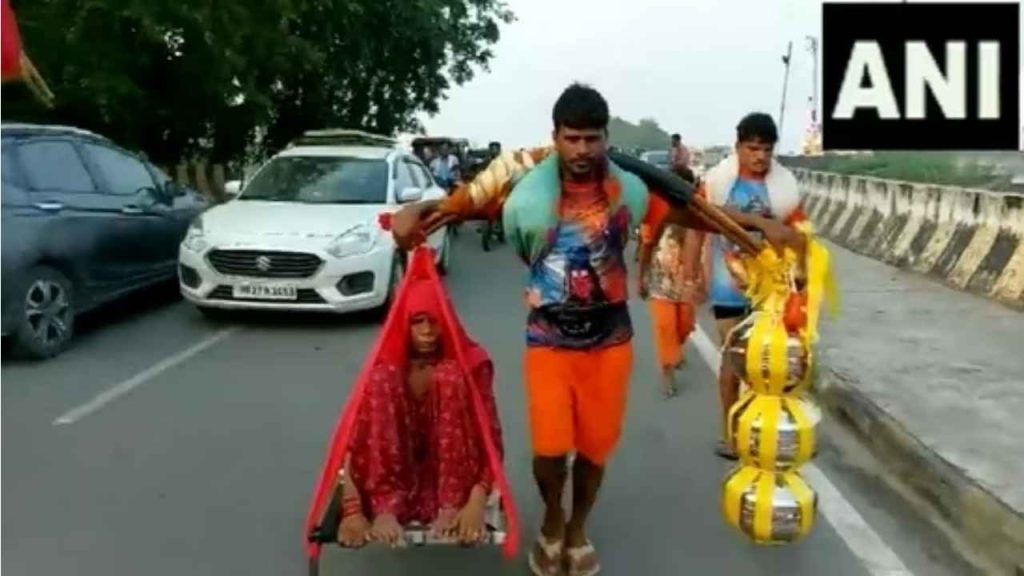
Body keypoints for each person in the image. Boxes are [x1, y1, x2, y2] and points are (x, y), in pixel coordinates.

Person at [390, 84, 801, 575]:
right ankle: (553, 517)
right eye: (572, 139)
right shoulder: (525, 190)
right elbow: (462, 205)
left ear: (604, 138)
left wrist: (758, 226)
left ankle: (577, 528)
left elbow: (690, 210)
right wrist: (416, 212)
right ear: (555, 138)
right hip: (548, 339)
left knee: (593, 451)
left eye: (591, 138)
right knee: (548, 453)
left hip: (610, 342)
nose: (582, 150)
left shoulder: (628, 188)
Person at [336, 277, 503, 548]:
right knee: (382, 377)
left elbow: (491, 440)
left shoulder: (471, 365)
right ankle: (386, 507)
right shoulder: (385, 366)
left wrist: (475, 502)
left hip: (452, 479)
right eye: (417, 321)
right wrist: (352, 511)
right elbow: (355, 443)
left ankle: (451, 505)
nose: (427, 331)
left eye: (434, 321)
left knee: (450, 376)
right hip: (399, 475)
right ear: (404, 324)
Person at [683, 112, 807, 460]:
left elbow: (800, 236)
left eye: (766, 150)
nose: (760, 157)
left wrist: (803, 276)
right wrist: (691, 274)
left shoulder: (785, 189)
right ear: (738, 147)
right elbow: (696, 225)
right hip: (728, 286)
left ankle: (762, 431)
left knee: (767, 365)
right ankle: (732, 433)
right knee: (734, 361)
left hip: (771, 290)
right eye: (753, 148)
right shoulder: (719, 182)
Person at [638, 216, 702, 398]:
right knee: (665, 328)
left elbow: (701, 253)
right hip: (660, 286)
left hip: (685, 287)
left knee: (685, 324)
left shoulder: (693, 224)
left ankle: (676, 350)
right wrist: (642, 278)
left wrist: (701, 281)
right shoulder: (656, 221)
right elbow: (647, 247)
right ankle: (668, 375)